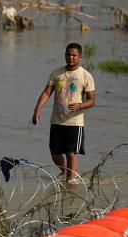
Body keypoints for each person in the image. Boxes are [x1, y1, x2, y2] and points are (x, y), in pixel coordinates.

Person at [32, 43, 95, 184]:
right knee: (54, 153)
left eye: (74, 55)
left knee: (70, 153)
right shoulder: (56, 73)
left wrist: (80, 105)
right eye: (68, 54)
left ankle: (71, 181)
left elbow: (91, 101)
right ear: (65, 55)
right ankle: (66, 172)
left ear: (80, 57)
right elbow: (47, 93)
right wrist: (37, 109)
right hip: (57, 120)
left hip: (75, 121)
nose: (70, 57)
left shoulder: (85, 75)